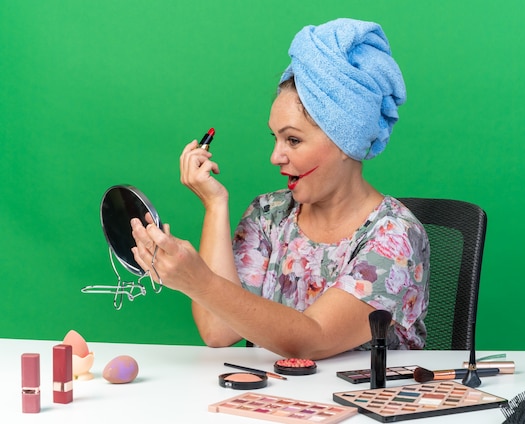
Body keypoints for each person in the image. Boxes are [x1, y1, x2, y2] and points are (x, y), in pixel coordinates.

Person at [131, 18, 430, 360]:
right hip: (281, 403)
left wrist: (197, 280)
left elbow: (312, 340)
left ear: (346, 141)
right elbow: (219, 331)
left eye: (293, 139)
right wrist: (215, 204)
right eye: (275, 138)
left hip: (367, 405)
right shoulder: (269, 216)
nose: (275, 156)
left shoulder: (395, 237)